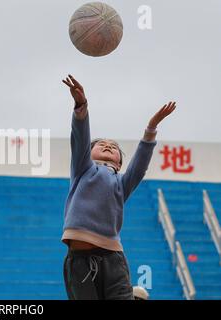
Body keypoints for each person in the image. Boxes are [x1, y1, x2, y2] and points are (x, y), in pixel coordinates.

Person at [61, 74, 176, 300]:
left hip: (113, 258)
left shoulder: (122, 183)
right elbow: (80, 137)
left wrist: (151, 128)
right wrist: (81, 106)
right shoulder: (83, 169)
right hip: (79, 259)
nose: (107, 145)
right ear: (89, 154)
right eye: (101, 144)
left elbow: (140, 164)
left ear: (120, 163)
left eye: (113, 147)